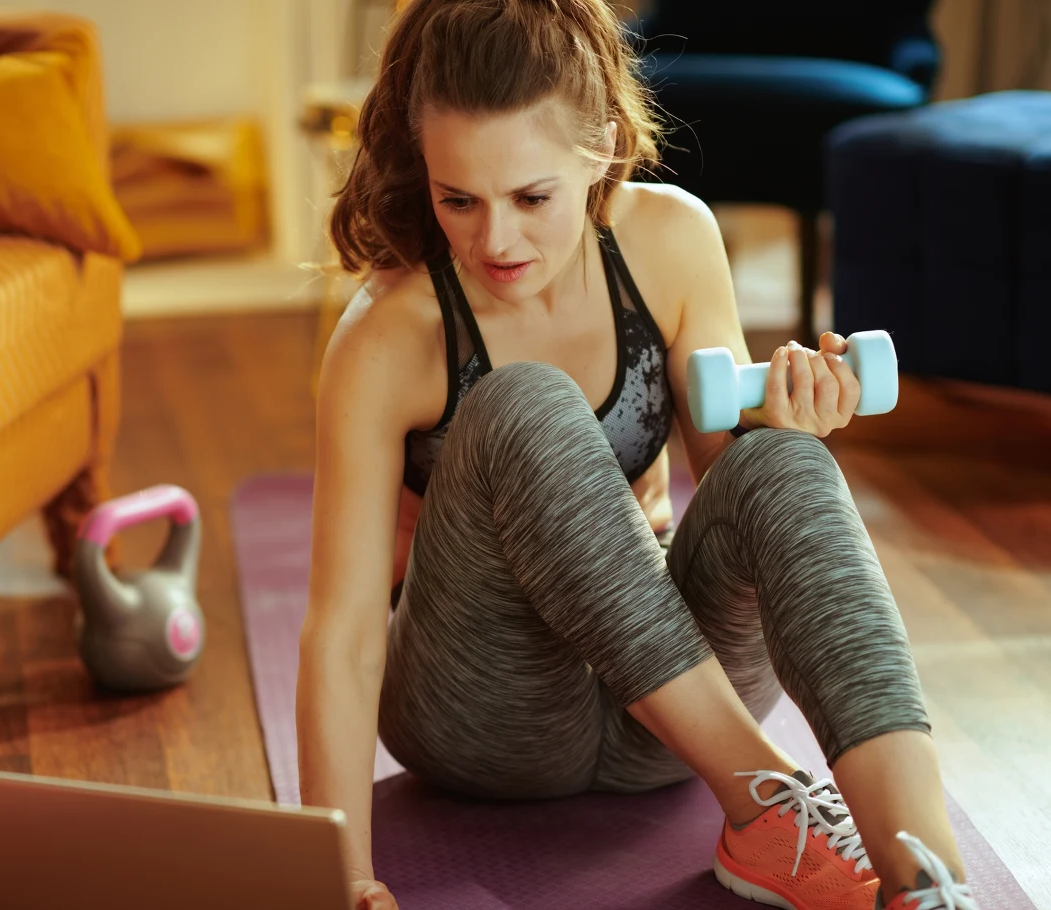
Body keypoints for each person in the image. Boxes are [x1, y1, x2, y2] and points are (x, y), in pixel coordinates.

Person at [296, 2, 979, 909]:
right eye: (458, 198)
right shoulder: (389, 333)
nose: (495, 240)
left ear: (600, 150)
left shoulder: (671, 240)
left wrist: (791, 423)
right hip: (484, 716)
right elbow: (342, 633)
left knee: (785, 464)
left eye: (532, 197)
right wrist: (336, 880)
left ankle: (925, 880)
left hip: (669, 717)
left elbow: (739, 487)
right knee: (525, 403)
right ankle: (766, 801)